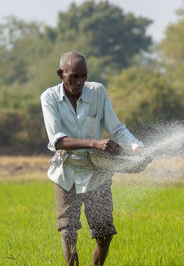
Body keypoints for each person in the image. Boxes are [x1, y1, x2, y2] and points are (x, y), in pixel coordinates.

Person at [40, 51, 144, 265]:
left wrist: (136, 147)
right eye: (74, 77)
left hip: (98, 171)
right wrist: (95, 143)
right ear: (61, 74)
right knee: (68, 231)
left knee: (104, 235)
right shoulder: (49, 98)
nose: (79, 82)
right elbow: (57, 141)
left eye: (84, 76)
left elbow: (115, 128)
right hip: (66, 172)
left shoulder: (97, 93)